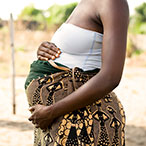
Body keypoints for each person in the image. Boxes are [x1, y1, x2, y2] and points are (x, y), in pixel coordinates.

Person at [25, 0, 129, 145]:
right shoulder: (84, 3)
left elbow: (111, 77)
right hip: (62, 118)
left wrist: (51, 111)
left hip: (83, 120)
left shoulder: (112, 3)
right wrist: (45, 51)